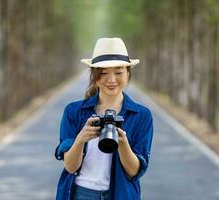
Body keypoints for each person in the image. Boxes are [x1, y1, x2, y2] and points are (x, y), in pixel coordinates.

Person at [55, 37, 154, 200]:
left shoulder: (141, 116)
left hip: (121, 195)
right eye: (103, 73)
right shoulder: (73, 112)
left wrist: (123, 143)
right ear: (94, 75)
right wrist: (81, 139)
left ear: (128, 72)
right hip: (81, 194)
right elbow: (70, 167)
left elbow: (134, 171)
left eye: (119, 72)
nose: (112, 80)